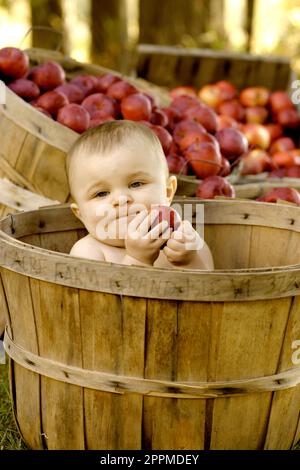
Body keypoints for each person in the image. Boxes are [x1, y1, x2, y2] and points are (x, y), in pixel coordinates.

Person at [67, 120, 214, 270]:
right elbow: (99, 294)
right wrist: (137, 259)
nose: (121, 199)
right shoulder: (88, 253)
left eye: (136, 184)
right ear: (80, 214)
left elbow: (212, 289)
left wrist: (190, 262)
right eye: (101, 193)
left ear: (167, 192)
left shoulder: (187, 243)